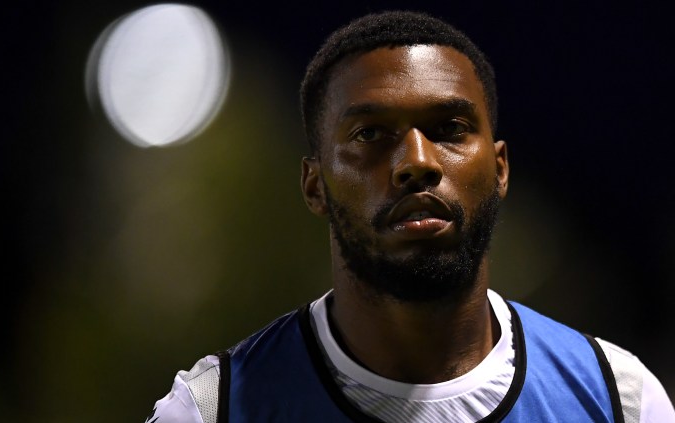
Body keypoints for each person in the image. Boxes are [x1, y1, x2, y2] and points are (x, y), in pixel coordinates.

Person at [144, 10, 674, 423]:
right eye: (371, 134)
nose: (416, 162)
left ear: (500, 169)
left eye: (449, 128)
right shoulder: (211, 410)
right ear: (314, 185)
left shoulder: (620, 399)